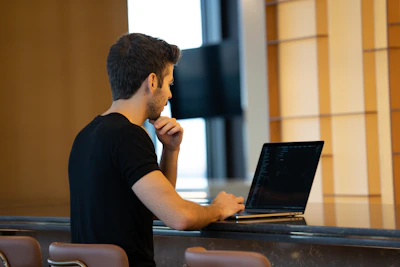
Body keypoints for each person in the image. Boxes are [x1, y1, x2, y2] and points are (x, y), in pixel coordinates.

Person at [68, 33, 245, 267]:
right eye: (169, 83)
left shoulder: (85, 136)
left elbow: (155, 209)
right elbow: (179, 217)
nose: (170, 95)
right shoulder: (129, 136)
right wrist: (217, 209)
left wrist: (170, 150)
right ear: (152, 82)